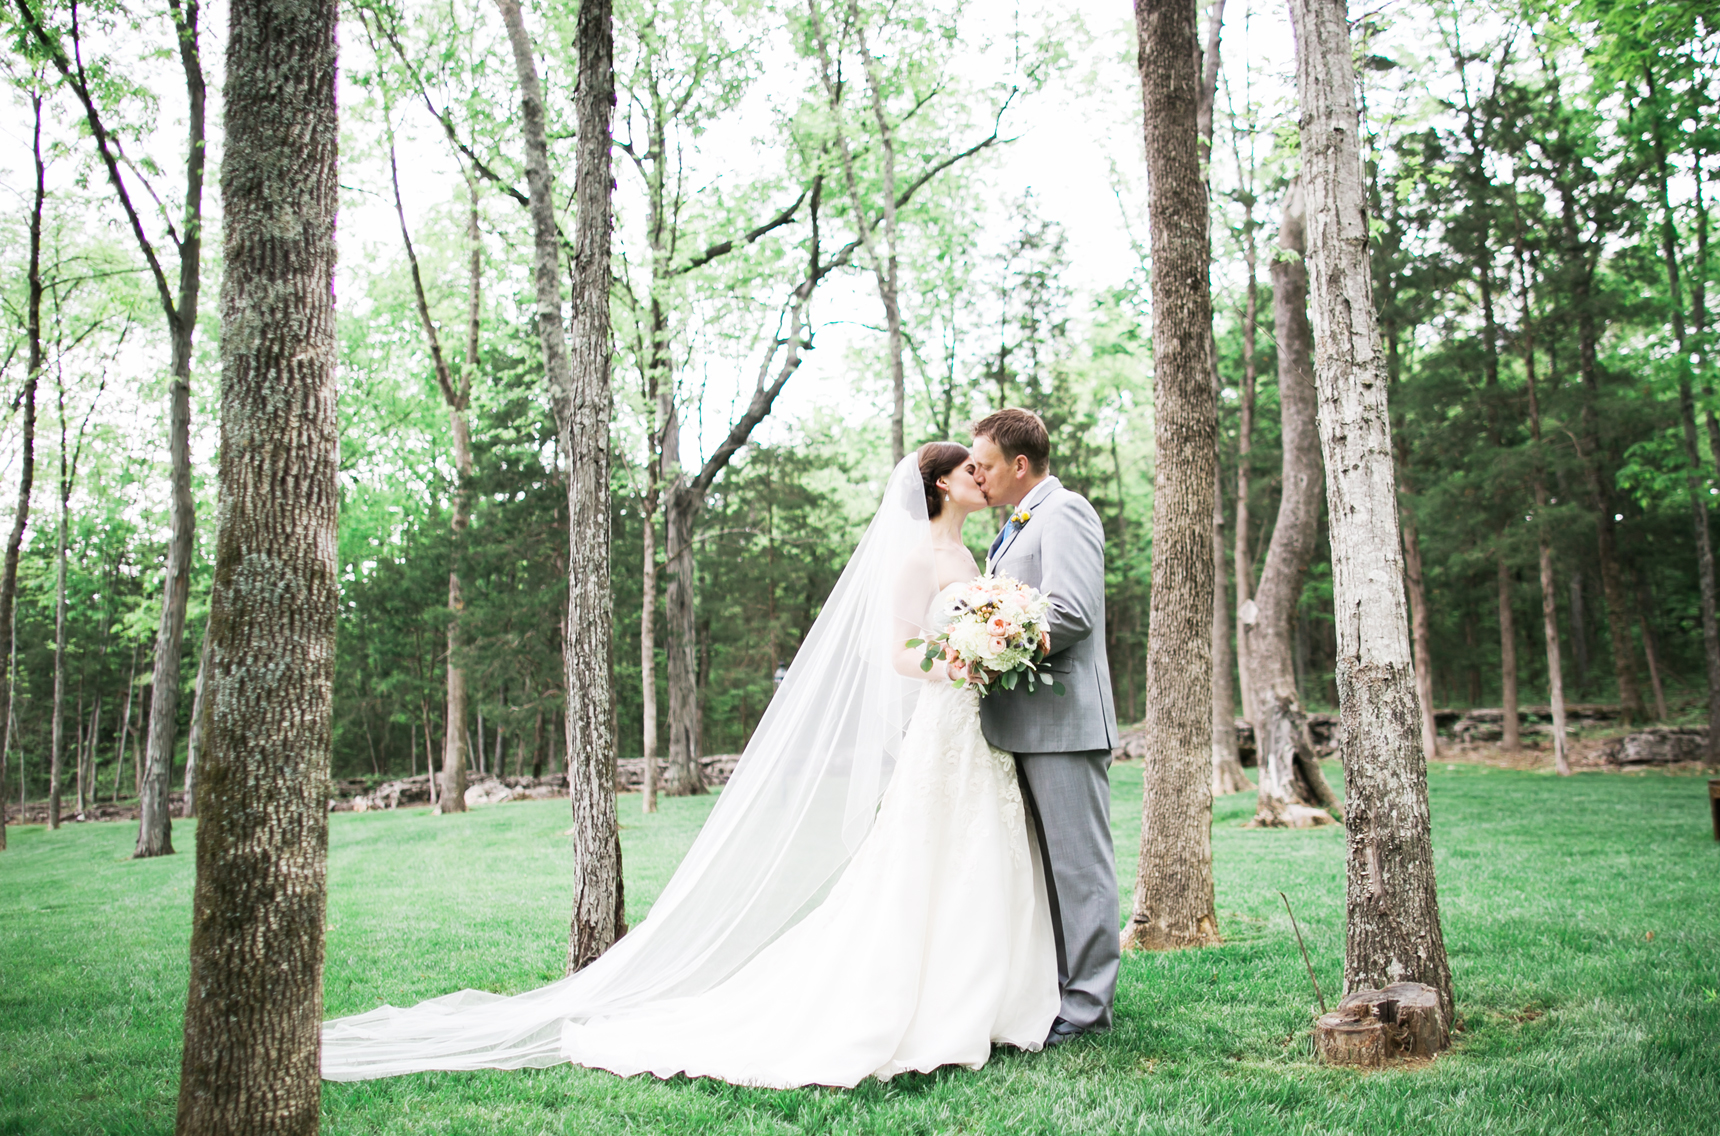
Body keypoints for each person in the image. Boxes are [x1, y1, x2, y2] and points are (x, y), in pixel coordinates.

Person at [323, 442, 1062, 1087]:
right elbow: (894, 653)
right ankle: (921, 1004)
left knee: (976, 854)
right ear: (938, 484)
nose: (982, 477)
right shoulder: (911, 558)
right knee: (923, 863)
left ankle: (984, 999)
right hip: (947, 717)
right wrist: (964, 656)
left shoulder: (968, 555)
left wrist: (991, 650)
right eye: (970, 469)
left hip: (972, 727)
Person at [969, 407, 1120, 1046]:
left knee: (1079, 871)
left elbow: (1073, 612)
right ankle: (1053, 995)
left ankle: (1087, 1011)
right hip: (1021, 725)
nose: (978, 476)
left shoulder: (1067, 513)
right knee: (1043, 873)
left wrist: (987, 644)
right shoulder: (1010, 528)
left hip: (1063, 724)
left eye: (986, 465)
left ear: (1020, 465)